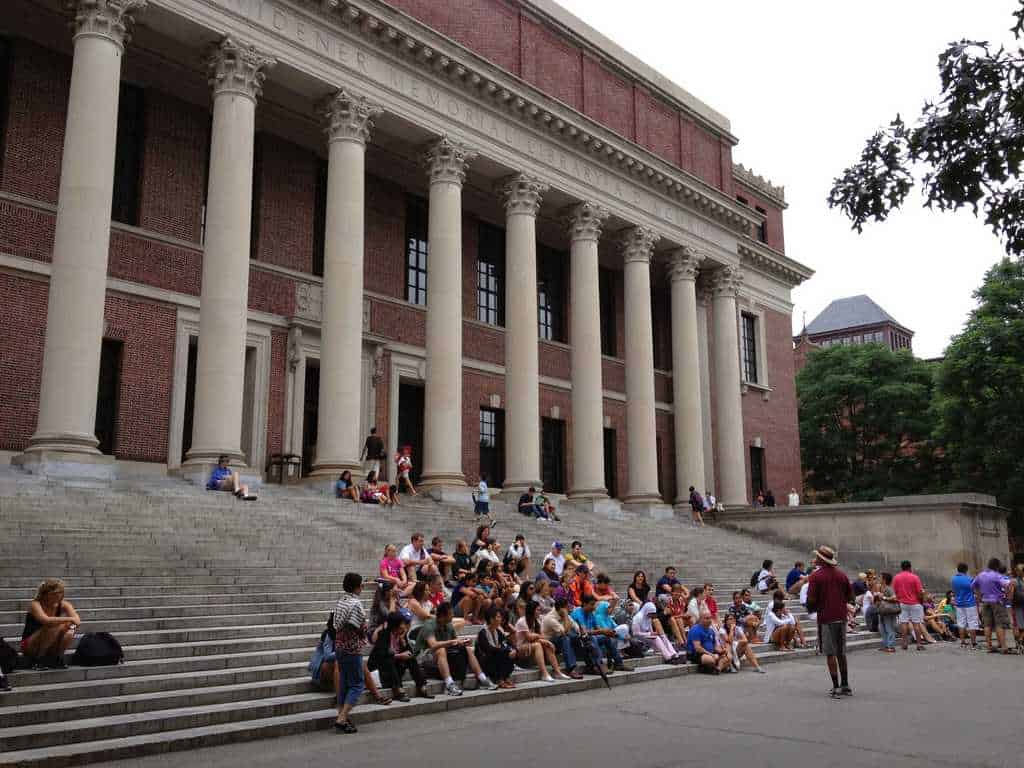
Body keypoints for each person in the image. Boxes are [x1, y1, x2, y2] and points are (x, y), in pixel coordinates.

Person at [414, 602, 495, 696]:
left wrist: (462, 642)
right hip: (423, 658)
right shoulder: (429, 625)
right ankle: (449, 684)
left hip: (442, 656)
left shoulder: (449, 625)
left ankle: (482, 679)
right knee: (441, 649)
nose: (453, 616)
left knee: (467, 649)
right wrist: (452, 642)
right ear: (444, 615)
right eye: (451, 614)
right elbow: (433, 645)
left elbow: (455, 641)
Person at [805, 545, 853, 698]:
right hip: (841, 616)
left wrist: (812, 608)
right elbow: (849, 596)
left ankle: (836, 686)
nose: (816, 558)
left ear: (821, 559)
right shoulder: (842, 575)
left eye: (818, 556)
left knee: (830, 653)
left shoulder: (816, 577)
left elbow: (811, 600)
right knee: (841, 652)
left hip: (826, 618)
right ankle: (846, 684)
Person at [368, 611, 433, 702]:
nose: (404, 626)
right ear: (395, 625)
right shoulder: (383, 634)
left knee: (411, 658)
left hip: (394, 670)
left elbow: (409, 652)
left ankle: (421, 686)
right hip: (380, 670)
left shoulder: (401, 635)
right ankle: (398, 690)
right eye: (402, 623)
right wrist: (399, 655)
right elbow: (382, 656)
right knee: (389, 660)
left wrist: (404, 643)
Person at [332, 573, 367, 734]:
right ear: (356, 586)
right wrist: (364, 631)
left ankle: (342, 716)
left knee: (345, 683)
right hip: (351, 648)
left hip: (339, 646)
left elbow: (335, 624)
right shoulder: (355, 604)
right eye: (361, 584)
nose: (362, 587)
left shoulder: (341, 601)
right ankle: (342, 717)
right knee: (357, 684)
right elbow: (356, 626)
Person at [21, 579, 81, 667]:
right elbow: (46, 620)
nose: (58, 596)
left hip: (50, 643)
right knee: (54, 626)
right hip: (30, 644)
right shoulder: (35, 604)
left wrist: (68, 624)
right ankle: (39, 659)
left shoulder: (64, 604)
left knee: (69, 631)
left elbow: (77, 621)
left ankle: (57, 658)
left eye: (60, 592)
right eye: (55, 593)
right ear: (45, 594)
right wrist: (69, 619)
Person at [514, 601, 571, 681]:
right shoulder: (522, 621)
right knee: (538, 645)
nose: (539, 612)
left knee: (546, 645)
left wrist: (545, 641)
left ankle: (558, 672)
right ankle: (544, 673)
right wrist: (541, 638)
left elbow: (542, 636)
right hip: (520, 650)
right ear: (531, 610)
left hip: (531, 646)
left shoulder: (537, 621)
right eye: (537, 610)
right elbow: (529, 637)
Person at [571, 595, 625, 674]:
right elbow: (584, 632)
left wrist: (608, 632)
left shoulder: (591, 614)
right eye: (592, 605)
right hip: (578, 640)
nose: (594, 607)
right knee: (593, 638)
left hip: (588, 638)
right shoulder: (578, 613)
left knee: (606, 638)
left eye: (594, 605)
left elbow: (597, 628)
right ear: (585, 604)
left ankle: (619, 663)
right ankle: (598, 665)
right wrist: (602, 631)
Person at [973, 557, 1012, 654]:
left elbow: (973, 585)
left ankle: (989, 646)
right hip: (997, 601)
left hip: (985, 600)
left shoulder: (980, 575)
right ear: (996, 566)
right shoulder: (997, 575)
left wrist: (979, 595)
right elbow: (1007, 584)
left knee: (987, 624)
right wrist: (1007, 594)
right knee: (1000, 624)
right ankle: (1003, 646)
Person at [541, 597, 585, 678]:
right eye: (567, 607)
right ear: (561, 608)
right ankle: (571, 668)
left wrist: (581, 631)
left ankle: (593, 664)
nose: (569, 608)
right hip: (549, 644)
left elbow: (575, 626)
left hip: (559, 640)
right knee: (566, 638)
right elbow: (564, 632)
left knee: (579, 637)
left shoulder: (563, 613)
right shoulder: (550, 618)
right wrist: (565, 616)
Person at [475, 605, 517, 689]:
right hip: (486, 662)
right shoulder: (483, 633)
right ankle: (500, 679)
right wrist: (501, 649)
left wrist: (514, 649)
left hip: (496, 657)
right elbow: (488, 649)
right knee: (502, 653)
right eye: (498, 617)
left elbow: (507, 643)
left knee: (511, 652)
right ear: (491, 619)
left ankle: (505, 677)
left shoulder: (497, 631)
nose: (501, 619)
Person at [893, 560, 928, 652]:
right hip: (915, 603)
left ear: (901, 567)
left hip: (902, 603)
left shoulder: (897, 577)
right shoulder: (915, 577)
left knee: (904, 623)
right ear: (910, 567)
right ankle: (919, 644)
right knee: (916, 624)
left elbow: (895, 591)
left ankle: (904, 643)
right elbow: (920, 591)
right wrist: (921, 600)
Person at [875, 572, 900, 653]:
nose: (879, 579)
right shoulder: (882, 588)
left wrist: (884, 597)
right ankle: (886, 645)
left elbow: (895, 598)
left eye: (880, 578)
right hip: (883, 611)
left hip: (889, 611)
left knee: (889, 628)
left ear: (884, 580)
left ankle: (891, 646)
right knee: (882, 629)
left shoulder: (889, 588)